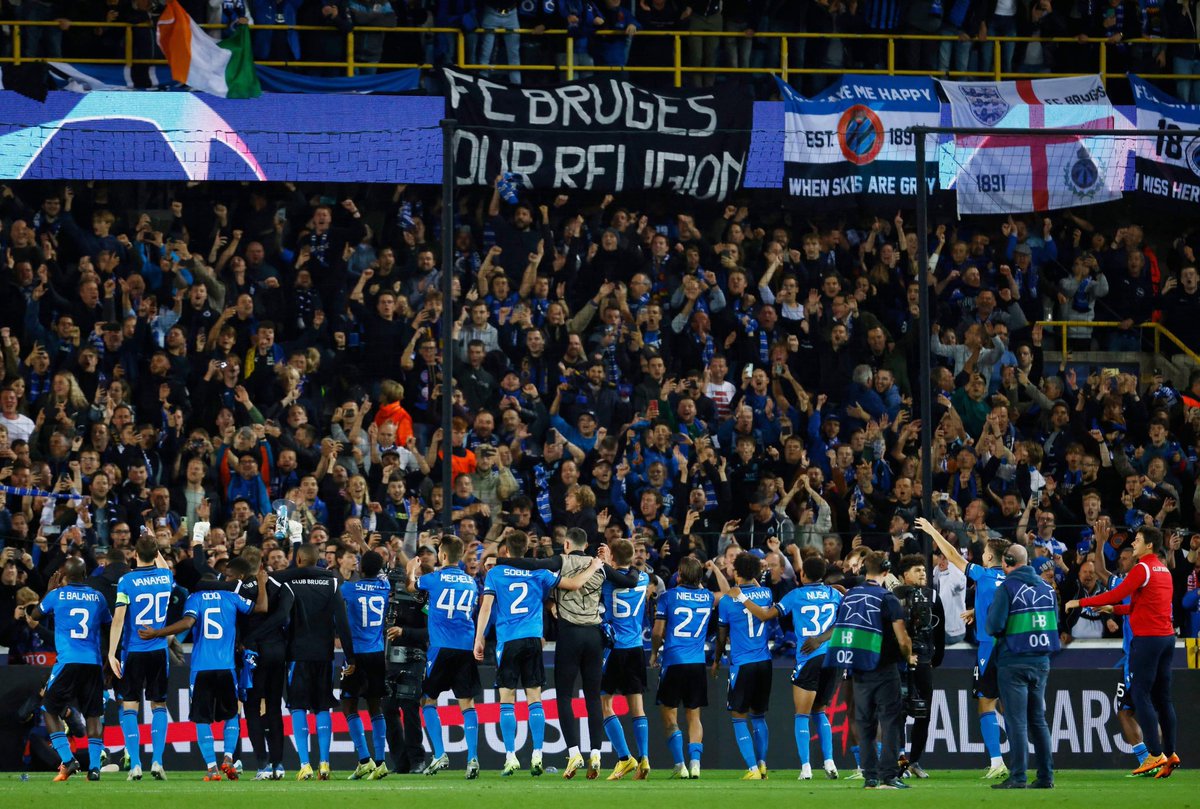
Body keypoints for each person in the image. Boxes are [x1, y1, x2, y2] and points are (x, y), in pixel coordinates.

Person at [502, 526, 639, 779]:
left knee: (564, 697)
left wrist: (500, 561)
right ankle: (596, 754)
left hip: (570, 635)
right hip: (594, 636)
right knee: (592, 698)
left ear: (566, 544)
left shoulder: (560, 561)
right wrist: (636, 566)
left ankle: (574, 753)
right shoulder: (597, 564)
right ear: (585, 545)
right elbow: (630, 581)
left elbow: (530, 563)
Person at [472, 530, 605, 776]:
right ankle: (537, 756)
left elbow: (486, 608)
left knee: (507, 700)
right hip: (533, 639)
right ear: (528, 551)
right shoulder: (539, 572)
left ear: (506, 552)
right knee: (535, 698)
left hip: (508, 640)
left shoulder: (496, 573)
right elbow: (575, 585)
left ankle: (511, 757)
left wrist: (479, 638)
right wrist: (595, 565)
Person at [1067, 526, 1180, 778]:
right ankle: (1170, 753)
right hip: (1166, 639)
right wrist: (1114, 610)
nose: (1134, 543)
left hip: (1147, 641)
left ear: (1149, 545)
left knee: (1140, 695)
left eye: (1138, 540)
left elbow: (1119, 593)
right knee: (1163, 698)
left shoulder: (1143, 568)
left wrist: (1081, 602)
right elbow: (1138, 606)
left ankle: (1154, 755)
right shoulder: (1164, 571)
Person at [139, 562, 268, 781]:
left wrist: (158, 633)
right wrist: (262, 585)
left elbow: (188, 622)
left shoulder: (194, 598)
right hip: (227, 667)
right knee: (230, 715)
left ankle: (211, 768)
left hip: (201, 668)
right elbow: (261, 608)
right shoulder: (231, 598)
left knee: (201, 719)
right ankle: (228, 757)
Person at [916, 517, 1010, 779]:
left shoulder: (983, 573)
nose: (982, 554)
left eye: (985, 552)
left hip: (989, 647)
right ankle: (1021, 761)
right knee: (1009, 706)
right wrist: (977, 612)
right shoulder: (1012, 579)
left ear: (991, 557)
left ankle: (996, 761)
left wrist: (933, 531)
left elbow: (952, 554)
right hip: (1011, 647)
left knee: (985, 703)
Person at [737, 555, 843, 780]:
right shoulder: (834, 594)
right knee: (820, 711)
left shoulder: (796, 595)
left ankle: (806, 768)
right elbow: (843, 623)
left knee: (802, 715)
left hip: (809, 658)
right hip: (833, 658)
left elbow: (765, 615)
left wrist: (741, 597)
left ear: (803, 575)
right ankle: (830, 762)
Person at [825, 551, 913, 790]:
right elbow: (902, 638)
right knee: (891, 722)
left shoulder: (850, 596)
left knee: (865, 724)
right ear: (886, 571)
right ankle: (888, 776)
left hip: (858, 669)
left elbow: (842, 628)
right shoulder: (888, 598)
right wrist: (909, 657)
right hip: (885, 669)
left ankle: (870, 777)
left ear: (865, 569)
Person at [274, 542, 357, 781]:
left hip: (297, 655)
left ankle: (304, 764)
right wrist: (350, 657)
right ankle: (324, 764)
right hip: (324, 655)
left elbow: (282, 618)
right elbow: (342, 622)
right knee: (322, 706)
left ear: (298, 561)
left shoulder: (289, 583)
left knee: (297, 706)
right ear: (319, 559)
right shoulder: (331, 582)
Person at [30, 558, 112, 782]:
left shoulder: (57, 595)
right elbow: (108, 626)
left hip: (68, 661)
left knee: (48, 709)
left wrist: (49, 591)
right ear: (85, 573)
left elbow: (35, 615)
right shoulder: (98, 597)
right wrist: (109, 657)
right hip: (93, 662)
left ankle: (68, 760)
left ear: (64, 574)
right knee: (94, 715)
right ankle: (94, 768)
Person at [984, 544, 1057, 789]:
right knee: (1038, 720)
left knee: (1016, 721)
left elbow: (994, 625)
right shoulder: (1047, 589)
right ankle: (1046, 777)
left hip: (1013, 661)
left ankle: (1018, 776)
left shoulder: (1007, 587)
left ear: (1006, 561)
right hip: (1041, 662)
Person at [413, 535, 481, 779]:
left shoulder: (433, 579)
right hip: (465, 648)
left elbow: (414, 587)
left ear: (442, 555)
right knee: (467, 703)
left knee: (427, 700)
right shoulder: (472, 583)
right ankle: (472, 758)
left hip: (441, 648)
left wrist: (412, 569)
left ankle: (440, 754)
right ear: (460, 556)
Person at [107, 534, 175, 781]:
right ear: (156, 554)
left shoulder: (126, 581)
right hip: (158, 651)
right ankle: (157, 761)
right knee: (159, 705)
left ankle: (135, 763)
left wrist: (112, 653)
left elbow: (118, 620)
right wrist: (154, 545)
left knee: (129, 706)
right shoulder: (166, 577)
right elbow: (164, 566)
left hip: (133, 651)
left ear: (134, 554)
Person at [651, 557, 724, 780]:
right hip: (697, 664)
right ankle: (695, 764)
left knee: (669, 716)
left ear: (679, 575)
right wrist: (716, 570)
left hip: (673, 662)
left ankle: (680, 764)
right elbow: (732, 592)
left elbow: (656, 632)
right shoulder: (708, 597)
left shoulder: (667, 597)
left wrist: (654, 653)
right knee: (694, 717)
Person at [718, 552, 775, 780]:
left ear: (736, 573)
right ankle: (762, 765)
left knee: (738, 715)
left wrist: (716, 659)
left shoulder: (727, 600)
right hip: (765, 662)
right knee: (759, 716)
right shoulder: (767, 593)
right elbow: (758, 590)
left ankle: (751, 768)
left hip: (742, 663)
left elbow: (722, 635)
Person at [600, 538, 652, 781]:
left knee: (606, 703)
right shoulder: (643, 578)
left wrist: (603, 563)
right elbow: (630, 570)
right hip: (636, 647)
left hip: (615, 648)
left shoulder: (607, 580)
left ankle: (624, 758)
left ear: (612, 559)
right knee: (637, 707)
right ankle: (644, 758)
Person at [340, 550, 391, 780]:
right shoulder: (385, 587)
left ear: (361, 569)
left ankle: (364, 760)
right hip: (377, 654)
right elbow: (381, 573)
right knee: (375, 707)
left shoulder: (348, 589)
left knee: (349, 705)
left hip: (355, 655)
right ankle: (380, 761)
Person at [894, 554, 946, 780]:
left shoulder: (933, 596)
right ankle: (900, 759)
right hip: (899, 660)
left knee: (923, 712)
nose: (923, 573)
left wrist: (936, 658)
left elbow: (939, 627)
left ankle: (914, 760)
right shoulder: (893, 596)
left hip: (924, 659)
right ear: (905, 575)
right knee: (897, 713)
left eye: (923, 570)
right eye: (917, 570)